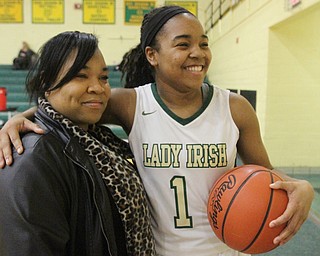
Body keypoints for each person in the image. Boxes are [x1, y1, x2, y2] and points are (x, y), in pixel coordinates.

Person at [0, 6, 314, 256]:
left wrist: (301, 187)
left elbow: (266, 173)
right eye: (183, 44)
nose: (198, 53)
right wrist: (19, 119)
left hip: (225, 249)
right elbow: (70, 105)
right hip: (156, 250)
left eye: (203, 44)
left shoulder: (235, 107)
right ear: (153, 55)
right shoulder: (132, 103)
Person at [0, 31, 155, 255]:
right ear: (47, 81)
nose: (98, 88)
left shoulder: (95, 141)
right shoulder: (33, 159)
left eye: (103, 77)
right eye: (81, 76)